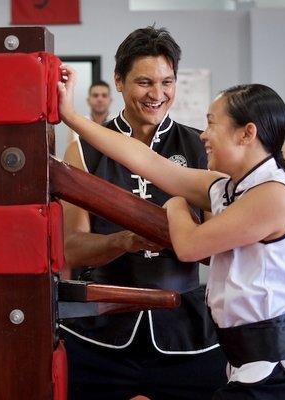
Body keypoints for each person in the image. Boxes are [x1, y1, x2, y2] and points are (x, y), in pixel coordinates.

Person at [59, 68, 285, 398]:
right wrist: (70, 117)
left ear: (246, 134)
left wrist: (174, 201)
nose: (204, 135)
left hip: (279, 373)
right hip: (247, 365)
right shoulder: (231, 189)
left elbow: (190, 247)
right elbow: (145, 160)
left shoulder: (272, 194)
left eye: (212, 123)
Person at [58, 27, 227, 400]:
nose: (157, 94)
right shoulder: (83, 152)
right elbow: (72, 249)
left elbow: (216, 248)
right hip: (100, 325)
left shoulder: (199, 146)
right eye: (145, 82)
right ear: (118, 81)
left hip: (186, 326)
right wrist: (125, 240)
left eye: (168, 82)